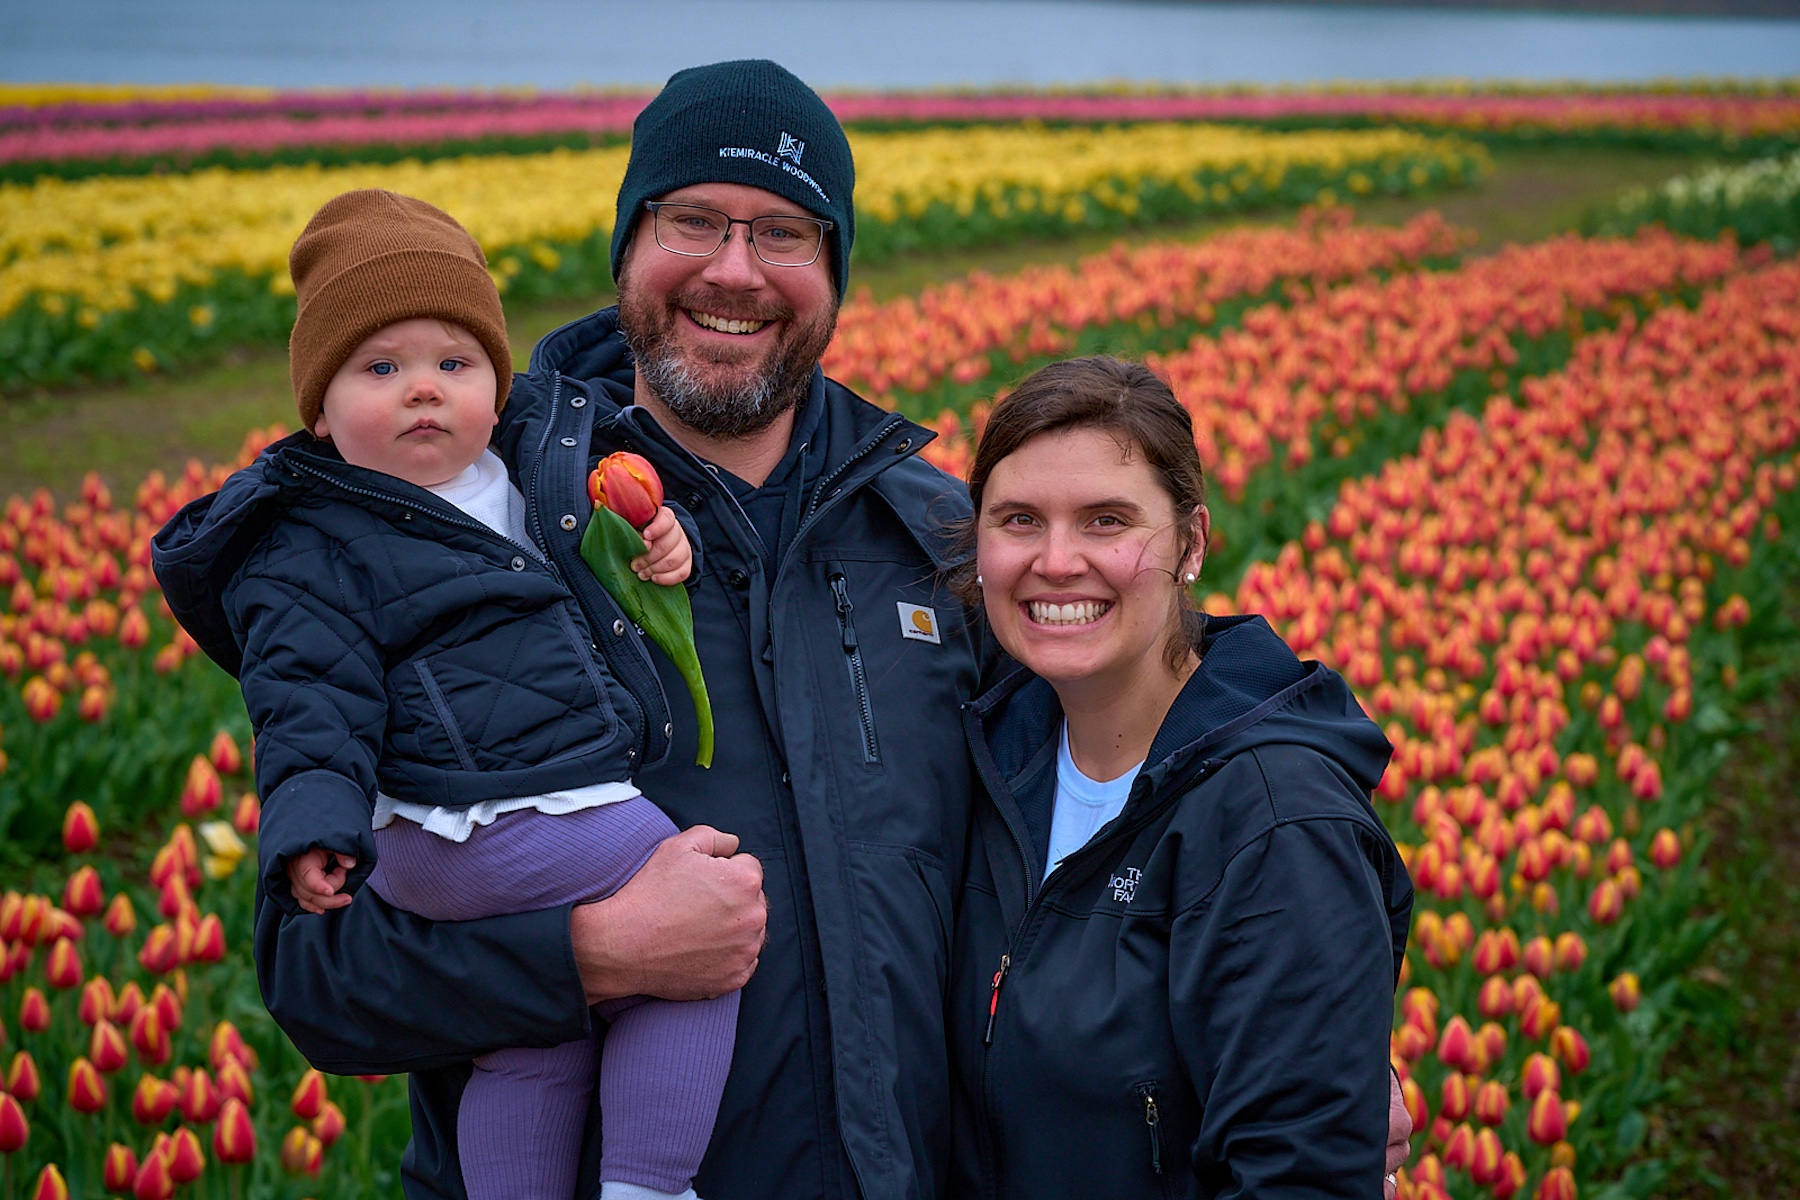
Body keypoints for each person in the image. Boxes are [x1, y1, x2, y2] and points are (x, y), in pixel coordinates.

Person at [153, 189, 738, 1200]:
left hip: (489, 819)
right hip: (459, 824)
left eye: (454, 364)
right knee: (705, 909)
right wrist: (313, 831)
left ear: (496, 383)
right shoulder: (306, 543)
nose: (423, 390)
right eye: (381, 368)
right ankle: (650, 1185)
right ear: (319, 405)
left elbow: (609, 566)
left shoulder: (531, 475)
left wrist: (661, 542)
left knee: (526, 1047)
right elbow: (307, 704)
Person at [944, 356, 1414, 1198]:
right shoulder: (983, 761)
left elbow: (1301, 1178)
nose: (1056, 561)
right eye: (1018, 519)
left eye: (1105, 521)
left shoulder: (1277, 824)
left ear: (1191, 543)